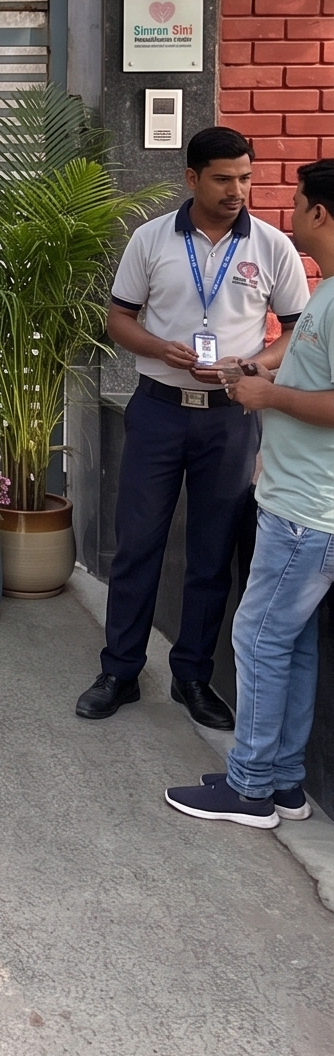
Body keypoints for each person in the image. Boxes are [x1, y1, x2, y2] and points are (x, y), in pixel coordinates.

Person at [77, 126, 309, 728]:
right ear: (191, 178)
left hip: (230, 419)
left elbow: (295, 331)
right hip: (157, 410)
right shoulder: (151, 239)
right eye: (223, 179)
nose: (238, 191)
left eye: (246, 178)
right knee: (137, 545)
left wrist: (254, 364)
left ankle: (193, 677)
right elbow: (118, 319)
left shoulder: (272, 246)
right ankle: (119, 671)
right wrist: (160, 347)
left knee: (211, 553)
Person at [168, 159, 334, 827]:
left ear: (319, 213)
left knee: (259, 641)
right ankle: (284, 782)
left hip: (307, 512)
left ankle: (249, 788)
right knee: (291, 645)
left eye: (296, 201)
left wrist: (267, 396)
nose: (286, 211)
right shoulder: (326, 291)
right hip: (299, 500)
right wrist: (257, 373)